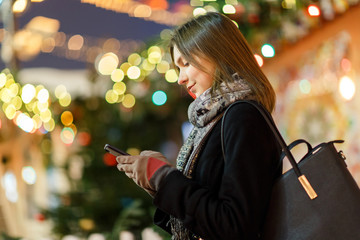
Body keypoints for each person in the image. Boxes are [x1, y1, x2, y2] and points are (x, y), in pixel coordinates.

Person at [116, 12, 282, 240]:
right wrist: (159, 182)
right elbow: (206, 214)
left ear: (219, 54)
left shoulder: (242, 116)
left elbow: (234, 225)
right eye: (178, 68)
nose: (180, 78)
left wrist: (165, 178)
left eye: (186, 63)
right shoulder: (211, 122)